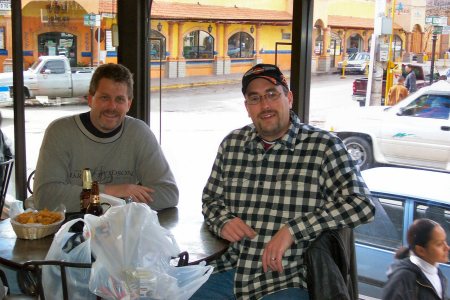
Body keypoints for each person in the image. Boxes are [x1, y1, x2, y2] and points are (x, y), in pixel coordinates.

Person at [192, 64, 375, 299]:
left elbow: (361, 204)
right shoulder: (232, 144)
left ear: (288, 98)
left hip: (288, 279)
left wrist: (292, 230)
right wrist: (223, 221)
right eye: (255, 98)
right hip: (231, 270)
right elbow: (211, 200)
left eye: (272, 94)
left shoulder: (323, 146)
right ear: (247, 107)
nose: (265, 105)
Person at [33, 63, 178, 212]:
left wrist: (120, 199)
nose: (112, 106)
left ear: (129, 104)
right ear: (90, 99)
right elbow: (45, 197)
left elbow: (168, 193)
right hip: (67, 231)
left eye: (120, 99)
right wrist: (111, 191)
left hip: (122, 231)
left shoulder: (139, 133)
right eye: (104, 97)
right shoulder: (60, 132)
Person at [382, 218, 449, 299]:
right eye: (439, 244)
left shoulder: (437, 273)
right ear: (420, 250)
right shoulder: (402, 279)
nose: (447, 248)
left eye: (445, 241)